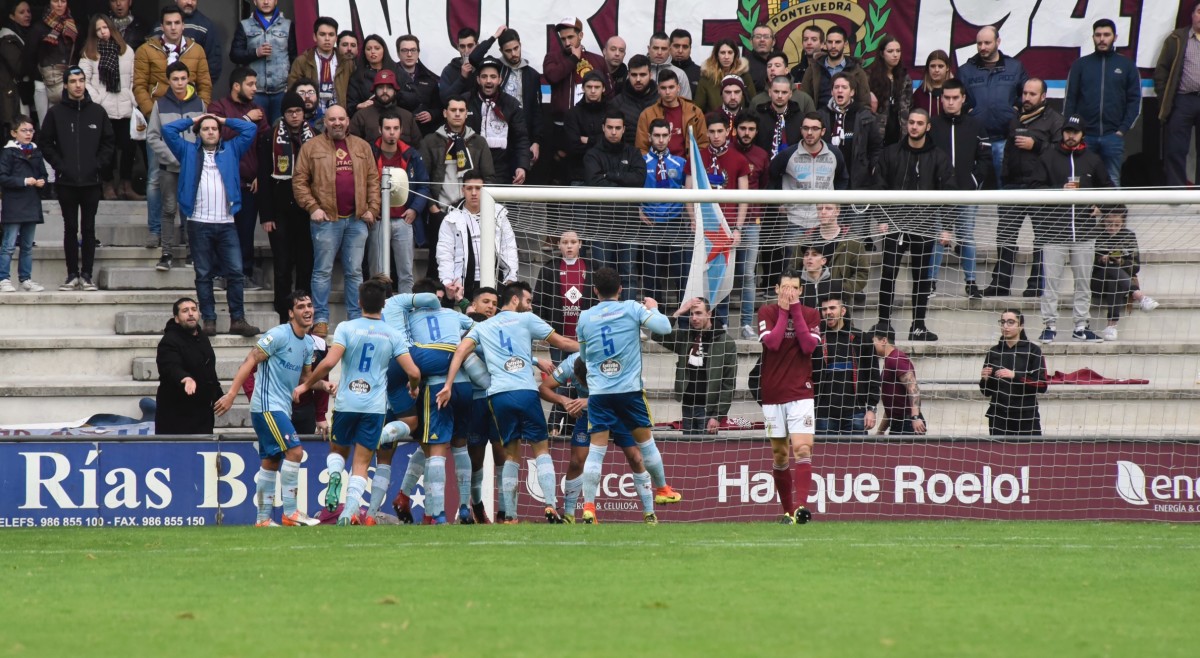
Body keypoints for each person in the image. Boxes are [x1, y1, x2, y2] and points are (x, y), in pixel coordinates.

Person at [437, 281, 582, 524]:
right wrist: (592, 348)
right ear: (514, 300)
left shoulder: (483, 326)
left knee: (511, 454)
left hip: (498, 396)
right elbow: (562, 343)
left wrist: (448, 384)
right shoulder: (527, 319)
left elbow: (460, 351)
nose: (529, 305)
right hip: (525, 391)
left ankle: (511, 516)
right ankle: (550, 505)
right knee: (540, 449)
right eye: (527, 300)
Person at [294, 277, 421, 526]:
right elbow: (414, 373)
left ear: (359, 301)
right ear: (383, 305)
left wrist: (306, 384)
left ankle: (333, 476)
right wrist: (414, 389)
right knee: (361, 463)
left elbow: (329, 363)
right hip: (373, 408)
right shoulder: (393, 334)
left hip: (346, 403)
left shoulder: (346, 328)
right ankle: (348, 513)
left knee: (338, 452)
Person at [575, 267, 674, 524]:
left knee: (596, 451)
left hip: (599, 394)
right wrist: (653, 307)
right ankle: (663, 489)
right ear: (620, 289)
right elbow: (665, 328)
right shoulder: (632, 307)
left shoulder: (585, 317)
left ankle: (588, 507)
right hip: (629, 391)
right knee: (645, 444)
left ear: (594, 290)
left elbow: (584, 358)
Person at [215, 290, 322, 527]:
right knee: (295, 451)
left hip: (281, 407)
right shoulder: (278, 335)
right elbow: (250, 361)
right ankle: (291, 512)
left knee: (271, 460)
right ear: (290, 313)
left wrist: (326, 384)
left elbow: (306, 378)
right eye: (301, 306)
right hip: (266, 406)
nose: (307, 310)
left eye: (309, 306)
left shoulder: (307, 344)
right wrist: (232, 394)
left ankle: (263, 519)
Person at [161, 113, 261, 338]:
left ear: (220, 132)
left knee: (235, 273)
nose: (210, 132)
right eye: (205, 128)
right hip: (198, 222)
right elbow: (167, 131)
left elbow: (250, 130)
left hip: (226, 222)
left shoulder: (231, 149)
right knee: (204, 274)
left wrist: (224, 119)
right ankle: (209, 321)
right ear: (199, 131)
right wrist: (193, 119)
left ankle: (238, 319)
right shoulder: (187, 151)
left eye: (214, 128)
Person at [293, 104, 380, 338]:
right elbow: (299, 181)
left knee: (354, 273)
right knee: (322, 271)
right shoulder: (311, 147)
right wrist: (313, 207)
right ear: (325, 122)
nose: (337, 123)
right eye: (332, 119)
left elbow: (373, 179)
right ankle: (320, 320)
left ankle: (355, 319)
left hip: (357, 219)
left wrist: (373, 208)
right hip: (326, 220)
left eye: (341, 118)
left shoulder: (362, 146)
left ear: (348, 120)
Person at [134, 5, 211, 248]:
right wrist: (153, 113)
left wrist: (201, 112)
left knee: (191, 177)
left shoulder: (196, 49)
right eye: (168, 23)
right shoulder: (146, 50)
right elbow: (139, 86)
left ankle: (189, 233)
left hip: (190, 122)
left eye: (177, 23)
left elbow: (206, 84)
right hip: (161, 118)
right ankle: (155, 231)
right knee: (155, 178)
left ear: (183, 24)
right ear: (162, 26)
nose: (173, 27)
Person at [1031, 114, 1112, 344]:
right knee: (1051, 282)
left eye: (1075, 132)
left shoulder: (1093, 160)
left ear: (1082, 134)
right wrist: (1059, 190)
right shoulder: (1047, 157)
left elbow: (1108, 189)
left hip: (1085, 233)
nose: (1070, 135)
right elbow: (1033, 188)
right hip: (1054, 232)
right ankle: (1049, 326)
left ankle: (1081, 326)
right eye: (1067, 131)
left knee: (1083, 281)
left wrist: (1101, 207)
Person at [875, 109, 954, 342]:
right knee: (888, 274)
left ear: (927, 127)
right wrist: (881, 219)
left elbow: (949, 192)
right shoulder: (890, 153)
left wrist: (946, 226)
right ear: (906, 124)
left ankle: (918, 326)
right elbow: (878, 186)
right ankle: (883, 324)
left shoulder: (939, 156)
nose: (915, 127)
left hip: (925, 226)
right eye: (911, 122)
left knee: (921, 278)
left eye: (920, 123)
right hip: (894, 225)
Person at [983, 78, 1062, 297]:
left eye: (1032, 94)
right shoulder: (1016, 118)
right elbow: (1008, 150)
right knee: (1005, 236)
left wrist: (1036, 145)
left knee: (1042, 238)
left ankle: (1036, 284)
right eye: (1025, 93)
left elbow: (1059, 153)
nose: (1026, 98)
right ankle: (1001, 283)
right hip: (1013, 185)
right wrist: (1005, 178)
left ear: (1043, 97)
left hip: (1040, 187)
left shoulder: (1055, 120)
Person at [40, 65, 114, 293]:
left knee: (89, 229)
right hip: (66, 182)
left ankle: (87, 275)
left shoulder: (98, 112)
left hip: (91, 182)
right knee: (70, 228)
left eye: (81, 80)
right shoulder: (56, 113)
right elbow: (45, 143)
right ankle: (72, 274)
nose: (78, 85)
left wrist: (97, 165)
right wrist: (61, 166)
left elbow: (108, 143)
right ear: (66, 84)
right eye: (73, 81)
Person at [757, 270, 822, 524]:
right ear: (776, 289)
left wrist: (794, 309)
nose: (790, 292)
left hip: (800, 392)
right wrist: (784, 311)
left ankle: (801, 507)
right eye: (785, 287)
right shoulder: (767, 312)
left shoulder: (810, 314)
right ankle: (787, 510)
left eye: (794, 288)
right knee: (780, 454)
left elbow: (808, 346)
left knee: (803, 448)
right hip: (773, 393)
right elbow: (772, 343)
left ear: (801, 291)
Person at [928, 78, 992, 299]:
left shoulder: (975, 125)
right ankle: (931, 284)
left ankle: (971, 283)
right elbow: (926, 157)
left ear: (963, 99)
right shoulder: (932, 125)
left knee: (966, 236)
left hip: (966, 192)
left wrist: (973, 182)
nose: (951, 102)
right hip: (939, 194)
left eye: (955, 98)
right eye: (947, 98)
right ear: (941, 99)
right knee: (938, 238)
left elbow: (985, 157)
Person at [208, 66, 270, 289]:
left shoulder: (258, 110)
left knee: (245, 233)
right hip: (222, 183)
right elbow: (218, 135)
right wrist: (245, 119)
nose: (255, 88)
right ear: (236, 86)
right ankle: (217, 274)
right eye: (250, 84)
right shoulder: (218, 107)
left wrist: (261, 174)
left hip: (248, 184)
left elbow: (266, 144)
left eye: (256, 84)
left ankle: (243, 274)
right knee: (220, 231)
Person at [257, 92, 314, 323]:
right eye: (290, 112)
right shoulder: (270, 137)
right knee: (282, 265)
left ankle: (304, 310)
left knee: (305, 263)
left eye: (298, 111)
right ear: (283, 114)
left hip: (306, 212)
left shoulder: (315, 136)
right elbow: (263, 176)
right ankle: (284, 313)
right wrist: (266, 215)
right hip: (280, 211)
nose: (294, 116)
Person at [420, 97, 495, 272]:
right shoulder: (430, 141)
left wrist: (477, 206)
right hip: (441, 211)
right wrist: (433, 208)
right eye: (453, 110)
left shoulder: (478, 141)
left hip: (470, 212)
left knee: (470, 261)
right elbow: (423, 179)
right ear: (445, 113)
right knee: (438, 262)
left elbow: (489, 178)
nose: (457, 114)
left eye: (461, 110)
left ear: (466, 114)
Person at [1065, 19, 1140, 186]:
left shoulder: (1127, 65)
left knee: (1112, 178)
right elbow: (1070, 100)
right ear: (1093, 37)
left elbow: (1135, 101)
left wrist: (1122, 129)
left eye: (1107, 35)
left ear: (1115, 37)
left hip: (1113, 135)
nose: (1102, 39)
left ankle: (1113, 212)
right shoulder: (1080, 65)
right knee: (1082, 179)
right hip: (1085, 136)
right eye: (1098, 35)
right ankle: (1085, 213)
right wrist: (1074, 130)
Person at [146, 61, 205, 270]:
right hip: (168, 168)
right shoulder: (160, 105)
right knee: (169, 209)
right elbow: (152, 137)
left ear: (188, 79)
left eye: (183, 78)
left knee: (191, 209)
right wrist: (173, 157)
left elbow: (205, 134)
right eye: (175, 79)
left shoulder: (199, 104)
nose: (179, 83)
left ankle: (192, 252)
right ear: (168, 81)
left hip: (192, 168)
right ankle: (167, 253)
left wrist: (193, 157)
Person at [589, 109, 652, 299]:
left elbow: (639, 179)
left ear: (624, 129)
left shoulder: (633, 153)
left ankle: (629, 318)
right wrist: (624, 180)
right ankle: (603, 315)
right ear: (603, 128)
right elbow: (594, 183)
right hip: (601, 223)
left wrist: (611, 175)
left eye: (618, 128)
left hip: (628, 222)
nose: (613, 132)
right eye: (610, 127)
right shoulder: (593, 154)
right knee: (602, 274)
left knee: (629, 274)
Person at [78, 13, 138, 202]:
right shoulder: (89, 53)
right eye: (98, 29)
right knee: (107, 150)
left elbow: (135, 77)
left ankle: (126, 185)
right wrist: (98, 99)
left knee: (129, 147)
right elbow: (84, 80)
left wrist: (132, 97)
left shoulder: (126, 50)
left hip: (125, 107)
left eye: (105, 27)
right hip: (103, 109)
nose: (103, 32)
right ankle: (108, 184)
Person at [958, 26, 1028, 186]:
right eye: (979, 43)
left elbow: (1026, 92)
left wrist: (1016, 108)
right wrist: (969, 109)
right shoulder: (966, 70)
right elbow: (956, 97)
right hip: (975, 140)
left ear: (998, 41)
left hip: (1004, 139)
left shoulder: (1015, 67)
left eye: (987, 43)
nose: (982, 47)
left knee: (1003, 188)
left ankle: (1004, 213)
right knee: (971, 188)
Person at [436, 170, 518, 303]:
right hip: (464, 283)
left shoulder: (499, 214)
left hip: (497, 279)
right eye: (469, 188)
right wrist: (447, 281)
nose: (474, 193)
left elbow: (509, 247)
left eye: (478, 188)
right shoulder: (450, 219)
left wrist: (511, 277)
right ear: (463, 190)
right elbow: (444, 253)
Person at [372, 111, 430, 292]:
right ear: (380, 129)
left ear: (401, 130)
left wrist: (414, 209)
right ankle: (377, 309)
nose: (391, 132)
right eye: (387, 128)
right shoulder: (369, 153)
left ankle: (405, 310)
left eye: (395, 128)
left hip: (404, 219)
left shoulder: (412, 155)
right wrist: (371, 208)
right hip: (378, 219)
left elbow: (424, 186)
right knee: (377, 271)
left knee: (406, 272)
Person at [468, 26, 543, 165]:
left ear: (520, 45)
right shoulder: (495, 68)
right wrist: (494, 36)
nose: (513, 53)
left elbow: (536, 110)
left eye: (516, 48)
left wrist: (536, 141)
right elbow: (473, 58)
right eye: (508, 51)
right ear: (501, 51)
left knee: (519, 178)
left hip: (521, 134)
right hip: (494, 134)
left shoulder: (532, 74)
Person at [769, 111, 849, 239]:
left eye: (815, 128)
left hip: (824, 222)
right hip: (795, 222)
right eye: (806, 128)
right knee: (794, 259)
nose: (809, 133)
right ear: (801, 130)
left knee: (822, 258)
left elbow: (843, 179)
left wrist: (835, 205)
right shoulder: (788, 154)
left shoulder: (834, 153)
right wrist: (778, 204)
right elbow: (771, 177)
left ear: (823, 131)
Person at [665, 297, 738, 436]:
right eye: (691, 314)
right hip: (687, 406)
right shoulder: (685, 336)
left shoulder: (726, 342)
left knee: (706, 454)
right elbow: (658, 335)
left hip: (707, 410)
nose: (694, 318)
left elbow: (729, 383)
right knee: (686, 454)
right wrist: (678, 313)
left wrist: (717, 416)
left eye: (698, 313)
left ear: (709, 314)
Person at [544, 16, 609, 159]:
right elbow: (552, 76)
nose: (567, 42)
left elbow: (609, 93)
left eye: (571, 37)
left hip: (591, 125)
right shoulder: (552, 58)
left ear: (581, 35)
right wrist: (573, 59)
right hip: (560, 126)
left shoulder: (597, 60)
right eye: (563, 39)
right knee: (561, 170)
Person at [813, 295, 878, 435]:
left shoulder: (862, 339)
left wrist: (872, 409)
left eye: (832, 308)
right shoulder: (816, 341)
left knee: (857, 456)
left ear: (843, 311)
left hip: (856, 412)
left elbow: (873, 376)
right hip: (824, 414)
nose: (828, 312)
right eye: (824, 309)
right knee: (824, 456)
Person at [154, 297, 221, 435]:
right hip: (176, 415)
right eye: (185, 311)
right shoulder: (169, 340)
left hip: (202, 415)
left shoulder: (202, 337)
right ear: (177, 318)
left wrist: (218, 396)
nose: (191, 313)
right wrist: (185, 378)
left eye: (194, 310)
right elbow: (170, 366)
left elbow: (209, 370)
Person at [640, 117, 688, 304]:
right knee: (651, 274)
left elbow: (690, 190)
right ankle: (653, 314)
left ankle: (682, 315)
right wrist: (638, 209)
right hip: (650, 224)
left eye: (664, 135)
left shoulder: (680, 163)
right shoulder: (641, 162)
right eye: (657, 135)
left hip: (675, 223)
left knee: (681, 272)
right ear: (649, 137)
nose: (660, 140)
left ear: (670, 137)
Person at [1091, 205, 1158, 341]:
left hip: (1119, 282)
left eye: (1117, 224)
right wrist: (1101, 260)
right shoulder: (1095, 235)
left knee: (1113, 276)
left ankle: (1111, 326)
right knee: (1109, 266)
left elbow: (1136, 266)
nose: (1112, 227)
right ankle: (1139, 295)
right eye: (1109, 223)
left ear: (1123, 223)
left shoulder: (1128, 236)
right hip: (1097, 281)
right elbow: (1086, 263)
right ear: (1103, 221)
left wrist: (1120, 261)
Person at [732, 112, 771, 338]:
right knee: (726, 273)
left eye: (751, 129)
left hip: (752, 222)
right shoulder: (727, 152)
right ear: (735, 129)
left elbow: (764, 184)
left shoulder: (761, 155)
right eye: (743, 128)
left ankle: (747, 324)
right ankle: (722, 323)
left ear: (756, 132)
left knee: (748, 273)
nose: (746, 133)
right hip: (726, 221)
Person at [979, 308, 1047, 436]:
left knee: (1030, 454)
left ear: (1021, 326)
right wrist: (985, 380)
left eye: (1011, 322)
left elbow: (1042, 385)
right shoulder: (994, 352)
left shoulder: (1033, 351)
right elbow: (986, 392)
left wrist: (1015, 375)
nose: (1005, 326)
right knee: (999, 454)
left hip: (1026, 415)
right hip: (998, 415)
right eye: (1003, 322)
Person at [1154, 3, 1200, 187]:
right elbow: (1162, 71)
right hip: (1182, 100)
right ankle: (1176, 190)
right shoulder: (1177, 38)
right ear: (1192, 15)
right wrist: (1165, 97)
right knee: (1176, 148)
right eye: (1199, 12)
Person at [229, 0, 296, 125]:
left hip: (281, 90)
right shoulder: (245, 25)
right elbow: (234, 55)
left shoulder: (287, 25)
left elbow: (294, 58)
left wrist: (291, 86)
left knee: (280, 130)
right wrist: (255, 53)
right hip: (255, 91)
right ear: (254, 1)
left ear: (276, 1)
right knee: (257, 130)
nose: (266, 2)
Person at [466, 56, 530, 185]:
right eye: (484, 77)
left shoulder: (511, 104)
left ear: (500, 80)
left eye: (493, 77)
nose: (488, 81)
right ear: (478, 79)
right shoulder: (466, 102)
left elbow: (521, 138)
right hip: (470, 168)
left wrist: (522, 166)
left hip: (502, 169)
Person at [0, 114, 45, 293]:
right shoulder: (8, 152)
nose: (28, 134)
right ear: (14, 133)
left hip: (31, 203)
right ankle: (3, 277)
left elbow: (43, 173)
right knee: (8, 245)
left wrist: (42, 181)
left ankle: (25, 278)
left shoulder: (36, 151)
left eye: (31, 130)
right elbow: (3, 177)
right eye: (23, 130)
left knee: (27, 246)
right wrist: (24, 181)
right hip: (14, 204)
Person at [818, 72, 881, 193]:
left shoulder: (865, 116)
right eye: (836, 87)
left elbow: (875, 147)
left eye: (844, 87)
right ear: (832, 92)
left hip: (857, 181)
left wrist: (873, 167)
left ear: (852, 92)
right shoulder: (821, 115)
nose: (840, 91)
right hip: (827, 181)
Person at [802, 204, 868, 307]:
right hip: (808, 303)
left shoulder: (852, 241)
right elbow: (793, 268)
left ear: (838, 211)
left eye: (828, 208)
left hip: (839, 306)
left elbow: (862, 273)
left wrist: (840, 289)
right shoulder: (806, 239)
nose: (823, 212)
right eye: (820, 208)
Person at [22, 0, 78, 122]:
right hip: (43, 82)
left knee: (66, 122)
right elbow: (28, 56)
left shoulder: (73, 26)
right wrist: (38, 75)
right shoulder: (39, 27)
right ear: (49, 3)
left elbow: (77, 54)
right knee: (46, 124)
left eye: (63, 1)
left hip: (67, 80)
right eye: (55, 1)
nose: (59, 5)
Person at [286, 17, 351, 113]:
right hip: (310, 115)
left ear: (336, 38)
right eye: (322, 34)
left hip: (338, 115)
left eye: (331, 35)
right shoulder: (302, 61)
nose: (327, 39)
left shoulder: (346, 63)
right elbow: (292, 91)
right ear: (315, 37)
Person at [635, 69, 706, 156]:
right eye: (663, 88)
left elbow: (704, 144)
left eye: (671, 87)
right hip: (658, 166)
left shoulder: (695, 112)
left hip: (688, 166)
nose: (667, 92)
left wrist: (693, 165)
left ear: (678, 88)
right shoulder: (647, 115)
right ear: (658, 89)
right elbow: (641, 148)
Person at [872, 324, 925, 436]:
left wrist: (915, 417)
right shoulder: (889, 360)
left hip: (907, 423)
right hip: (898, 423)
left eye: (873, 342)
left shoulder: (896, 358)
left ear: (883, 341)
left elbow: (913, 388)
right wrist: (880, 431)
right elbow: (892, 404)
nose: (871, 346)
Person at [347, 68, 421, 146]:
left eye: (389, 87)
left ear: (395, 91)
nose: (385, 91)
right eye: (381, 87)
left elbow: (418, 147)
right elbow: (352, 146)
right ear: (374, 91)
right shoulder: (361, 116)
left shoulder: (407, 117)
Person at [799, 26, 870, 107]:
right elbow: (804, 101)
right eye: (830, 42)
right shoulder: (813, 69)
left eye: (837, 42)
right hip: (819, 117)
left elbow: (865, 103)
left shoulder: (856, 70)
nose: (833, 46)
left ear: (845, 44)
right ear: (825, 44)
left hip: (849, 118)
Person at [158, 0, 222, 87]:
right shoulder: (158, 26)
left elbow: (213, 64)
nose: (189, 2)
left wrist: (200, 92)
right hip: (162, 91)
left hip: (192, 92)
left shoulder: (206, 26)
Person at [563, 71, 607, 183]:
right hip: (578, 174)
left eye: (597, 87)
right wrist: (600, 140)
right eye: (589, 87)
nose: (593, 91)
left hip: (606, 173)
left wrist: (588, 140)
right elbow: (573, 147)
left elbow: (615, 142)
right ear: (582, 88)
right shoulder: (572, 114)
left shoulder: (611, 112)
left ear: (603, 89)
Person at [867, 35, 913, 145]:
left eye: (898, 51)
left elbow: (909, 106)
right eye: (890, 51)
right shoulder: (870, 76)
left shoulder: (905, 78)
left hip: (900, 134)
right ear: (882, 54)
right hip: (877, 135)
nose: (895, 55)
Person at [393, 34, 441, 136]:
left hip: (424, 134)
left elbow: (439, 108)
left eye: (413, 50)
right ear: (398, 53)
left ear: (418, 53)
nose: (409, 54)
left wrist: (431, 114)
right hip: (397, 133)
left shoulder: (430, 78)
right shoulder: (390, 77)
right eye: (405, 50)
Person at [610, 56, 662, 146]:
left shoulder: (661, 101)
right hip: (626, 156)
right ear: (628, 75)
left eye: (642, 75)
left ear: (650, 75)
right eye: (634, 75)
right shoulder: (617, 103)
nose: (638, 79)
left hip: (656, 157)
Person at [694, 39, 756, 113]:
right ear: (717, 55)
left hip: (739, 121)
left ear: (735, 54)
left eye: (730, 52)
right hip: (714, 122)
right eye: (723, 53)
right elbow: (697, 109)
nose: (726, 57)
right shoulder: (706, 78)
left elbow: (753, 104)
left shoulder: (744, 76)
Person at [0, 1, 33, 139]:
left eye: (28, 11)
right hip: (13, 95)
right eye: (21, 12)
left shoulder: (24, 34)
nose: (27, 15)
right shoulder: (7, 37)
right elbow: (19, 67)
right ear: (12, 16)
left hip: (23, 92)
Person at [344, 33, 396, 118]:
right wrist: (358, 106)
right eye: (368, 49)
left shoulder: (396, 70)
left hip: (393, 118)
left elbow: (411, 96)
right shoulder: (357, 76)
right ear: (364, 52)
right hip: (368, 118)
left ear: (384, 50)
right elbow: (350, 105)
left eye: (377, 48)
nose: (372, 52)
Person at [753, 75, 807, 156]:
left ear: (790, 94)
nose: (780, 96)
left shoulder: (800, 118)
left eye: (784, 92)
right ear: (770, 92)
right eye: (776, 91)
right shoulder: (758, 117)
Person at [646, 31, 692, 100]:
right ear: (649, 49)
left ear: (669, 50)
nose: (659, 52)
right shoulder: (639, 73)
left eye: (664, 49)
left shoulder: (680, 74)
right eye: (655, 48)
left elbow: (686, 105)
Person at [438, 27, 479, 102]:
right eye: (462, 46)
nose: (466, 50)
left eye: (470, 46)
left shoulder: (484, 67)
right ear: (458, 47)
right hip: (457, 112)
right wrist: (462, 78)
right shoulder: (449, 70)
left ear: (477, 45)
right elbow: (444, 100)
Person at [913, 49, 953, 118]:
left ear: (947, 68)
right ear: (928, 68)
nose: (936, 70)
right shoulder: (919, 94)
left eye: (940, 66)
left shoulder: (955, 92)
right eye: (932, 66)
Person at [669, 29, 701, 97]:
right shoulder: (661, 69)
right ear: (669, 47)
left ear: (690, 49)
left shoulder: (700, 73)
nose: (680, 51)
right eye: (676, 46)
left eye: (685, 47)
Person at [746, 25, 775, 92]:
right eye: (758, 37)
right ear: (751, 41)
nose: (762, 40)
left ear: (773, 42)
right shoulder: (743, 66)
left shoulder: (780, 62)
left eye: (766, 37)